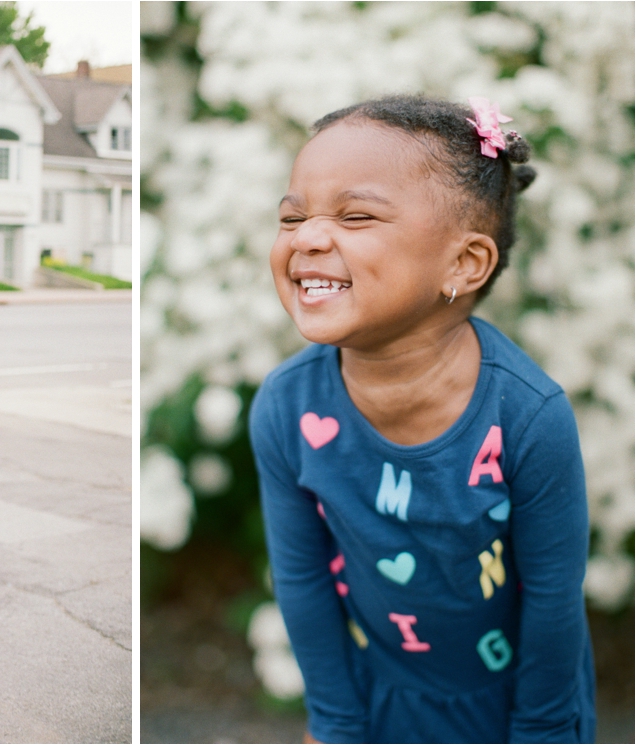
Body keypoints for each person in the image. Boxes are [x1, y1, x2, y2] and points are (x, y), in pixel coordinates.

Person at [249, 95, 595, 743]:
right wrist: (335, 721)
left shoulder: (527, 417)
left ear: (463, 264)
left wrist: (542, 732)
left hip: (520, 707)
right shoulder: (287, 408)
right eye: (291, 217)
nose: (308, 237)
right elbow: (300, 580)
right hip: (378, 701)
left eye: (355, 215)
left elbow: (554, 596)